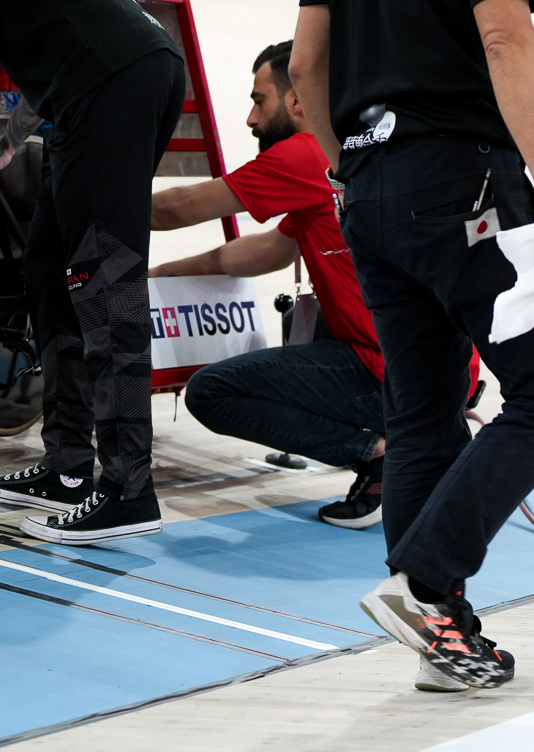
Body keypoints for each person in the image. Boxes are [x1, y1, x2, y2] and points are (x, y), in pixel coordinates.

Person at [290, 0, 534, 692]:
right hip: (461, 174)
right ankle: (426, 584)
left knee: (423, 410)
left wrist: (349, 172)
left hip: (367, 188)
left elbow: (305, 65)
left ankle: (439, 628)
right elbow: (505, 37)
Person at [0, 0, 185, 543]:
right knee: (52, 272)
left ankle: (130, 489)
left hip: (115, 78)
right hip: (99, 80)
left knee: (104, 280)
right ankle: (68, 467)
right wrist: (7, 144)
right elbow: (52, 72)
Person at [148, 40, 397, 529]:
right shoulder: (350, 149)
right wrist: (165, 274)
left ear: (297, 99)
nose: (251, 119)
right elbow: (267, 250)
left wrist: (91, 193)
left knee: (211, 392)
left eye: (259, 100)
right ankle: (419, 436)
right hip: (432, 364)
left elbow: (175, 208)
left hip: (385, 368)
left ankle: (385, 453)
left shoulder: (305, 154)